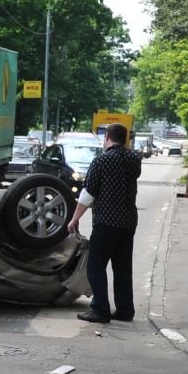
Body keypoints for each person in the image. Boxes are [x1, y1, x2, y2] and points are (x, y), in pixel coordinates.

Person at [69, 122, 142, 323]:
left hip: (106, 220)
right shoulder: (134, 159)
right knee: (122, 267)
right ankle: (125, 310)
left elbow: (88, 193)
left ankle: (100, 309)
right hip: (128, 220)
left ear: (107, 136)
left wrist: (75, 218)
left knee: (96, 265)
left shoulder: (101, 160)